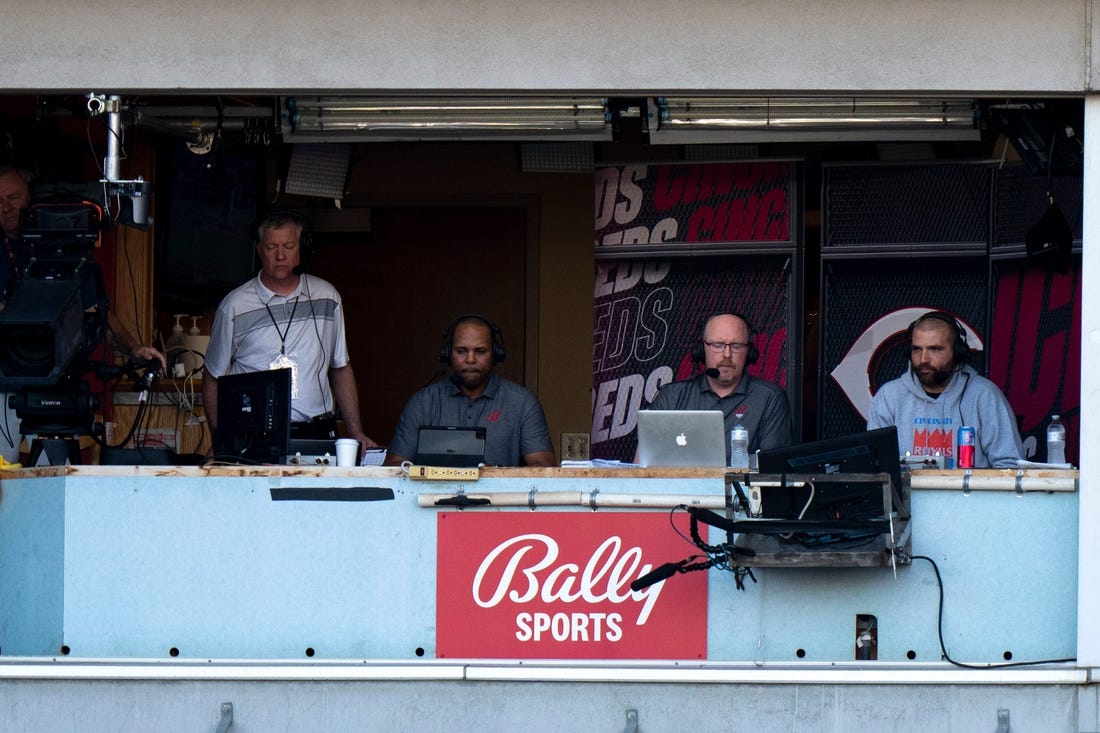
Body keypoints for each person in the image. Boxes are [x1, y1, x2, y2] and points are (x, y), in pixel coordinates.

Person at [203, 210, 376, 452]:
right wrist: (221, 438)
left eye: (289, 245)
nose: (281, 255)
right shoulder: (234, 306)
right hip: (255, 435)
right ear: (260, 250)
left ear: (302, 249)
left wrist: (355, 431)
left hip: (318, 432)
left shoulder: (327, 297)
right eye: (272, 247)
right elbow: (213, 376)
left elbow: (340, 367)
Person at [0, 165, 166, 368]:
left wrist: (133, 348)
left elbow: (96, 311)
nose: (5, 208)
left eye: (13, 197)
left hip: (59, 371)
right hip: (8, 370)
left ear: (30, 195)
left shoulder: (62, 244)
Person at [384, 314, 555, 467]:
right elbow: (394, 465)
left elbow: (543, 468)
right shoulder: (423, 402)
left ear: (495, 354)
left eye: (480, 351)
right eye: (461, 351)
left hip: (500, 501)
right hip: (431, 500)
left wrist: (492, 476)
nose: (470, 359)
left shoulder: (523, 402)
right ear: (448, 354)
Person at [867, 310, 1023, 468]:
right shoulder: (889, 397)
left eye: (935, 349)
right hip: (906, 493)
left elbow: (1011, 466)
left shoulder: (985, 396)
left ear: (957, 352)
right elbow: (875, 467)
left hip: (969, 493)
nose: (923, 359)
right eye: (917, 349)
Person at [643, 311, 793, 460]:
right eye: (718, 345)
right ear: (702, 349)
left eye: (736, 346)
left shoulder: (769, 397)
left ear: (749, 351)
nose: (727, 354)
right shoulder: (672, 396)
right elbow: (642, 466)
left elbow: (773, 470)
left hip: (740, 484)